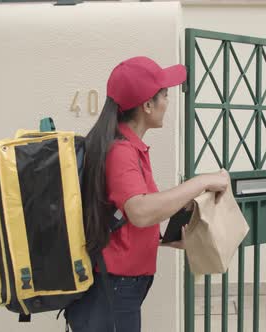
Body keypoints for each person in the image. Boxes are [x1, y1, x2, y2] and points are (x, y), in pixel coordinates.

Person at [66, 56, 230, 332]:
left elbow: (118, 222)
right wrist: (202, 181)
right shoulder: (120, 152)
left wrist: (165, 240)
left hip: (118, 286)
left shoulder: (128, 147)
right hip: (114, 288)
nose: (168, 101)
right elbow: (140, 212)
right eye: (165, 94)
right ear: (147, 105)